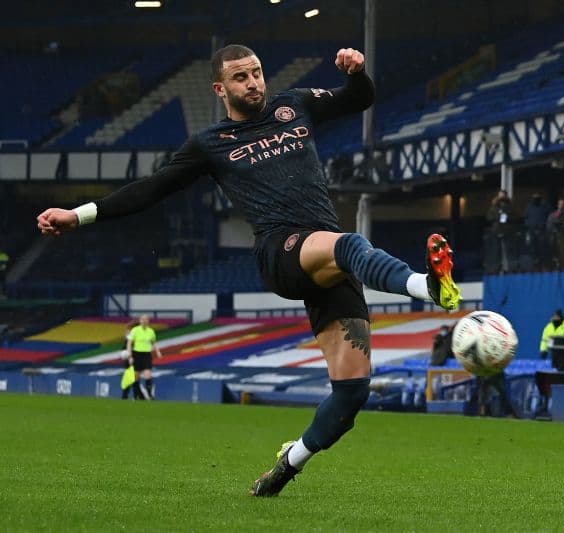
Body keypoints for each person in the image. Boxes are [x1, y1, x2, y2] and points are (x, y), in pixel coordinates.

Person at [36, 44, 462, 497]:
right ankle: (427, 287)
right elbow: (149, 189)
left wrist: (357, 75)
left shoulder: (293, 105)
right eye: (241, 77)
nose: (254, 83)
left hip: (325, 261)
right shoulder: (210, 144)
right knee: (352, 244)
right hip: (282, 252)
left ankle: (285, 468)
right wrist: (77, 215)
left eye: (257, 73)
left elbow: (358, 99)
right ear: (221, 88)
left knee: (352, 392)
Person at [126, 314, 162, 399]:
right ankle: (136, 395)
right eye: (142, 319)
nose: (144, 321)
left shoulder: (151, 331)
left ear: (148, 321)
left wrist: (157, 351)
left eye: (146, 320)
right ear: (140, 321)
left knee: (148, 374)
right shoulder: (135, 330)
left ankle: (150, 394)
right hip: (137, 354)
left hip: (146, 354)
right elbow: (129, 343)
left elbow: (153, 342)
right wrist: (130, 356)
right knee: (136, 376)